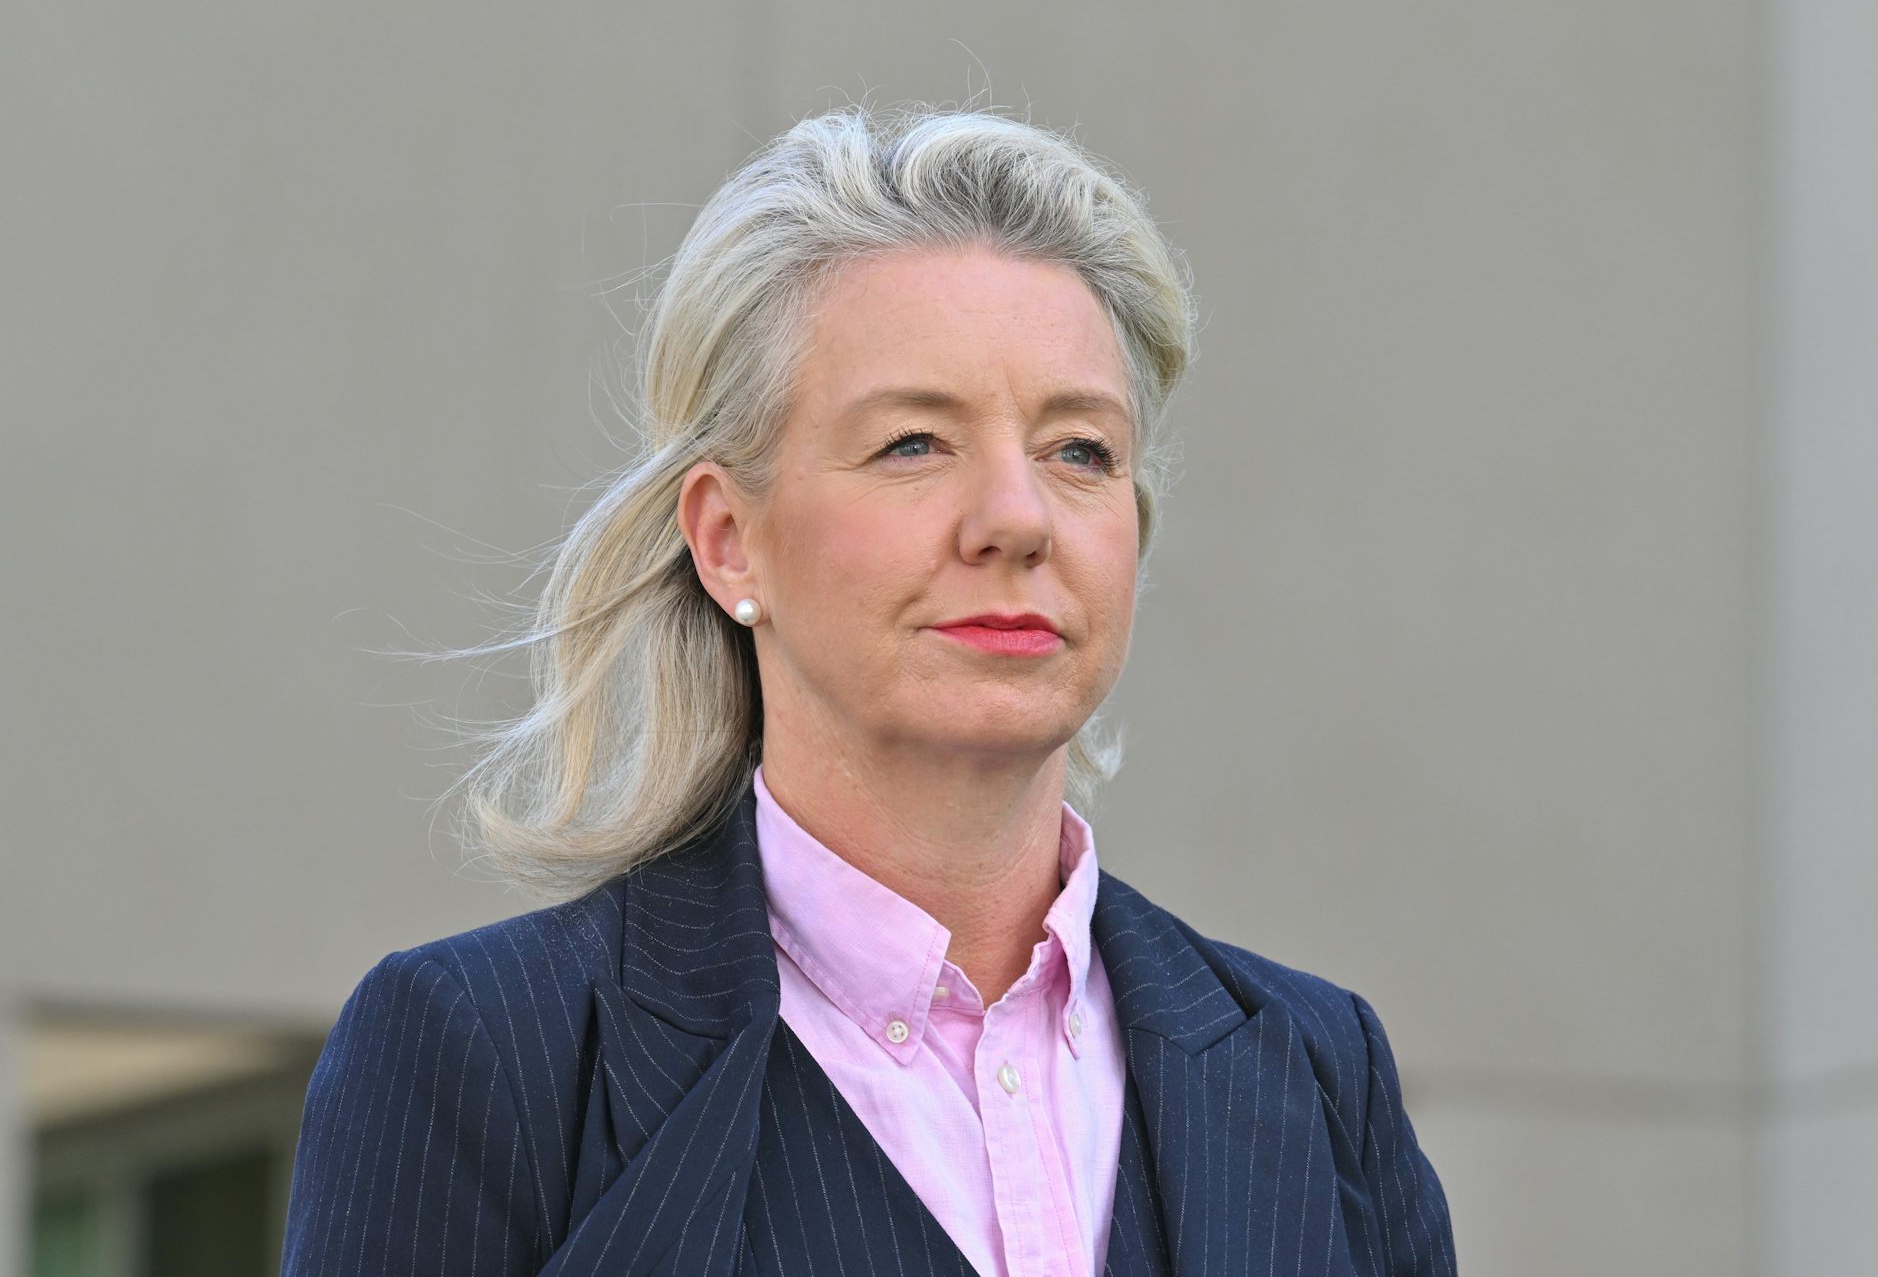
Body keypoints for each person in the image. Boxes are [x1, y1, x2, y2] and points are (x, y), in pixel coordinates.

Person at [280, 104, 1455, 1276]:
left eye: (1080, 450)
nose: (1017, 518)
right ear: (729, 539)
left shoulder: (1319, 1072)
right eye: (914, 443)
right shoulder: (485, 1054)